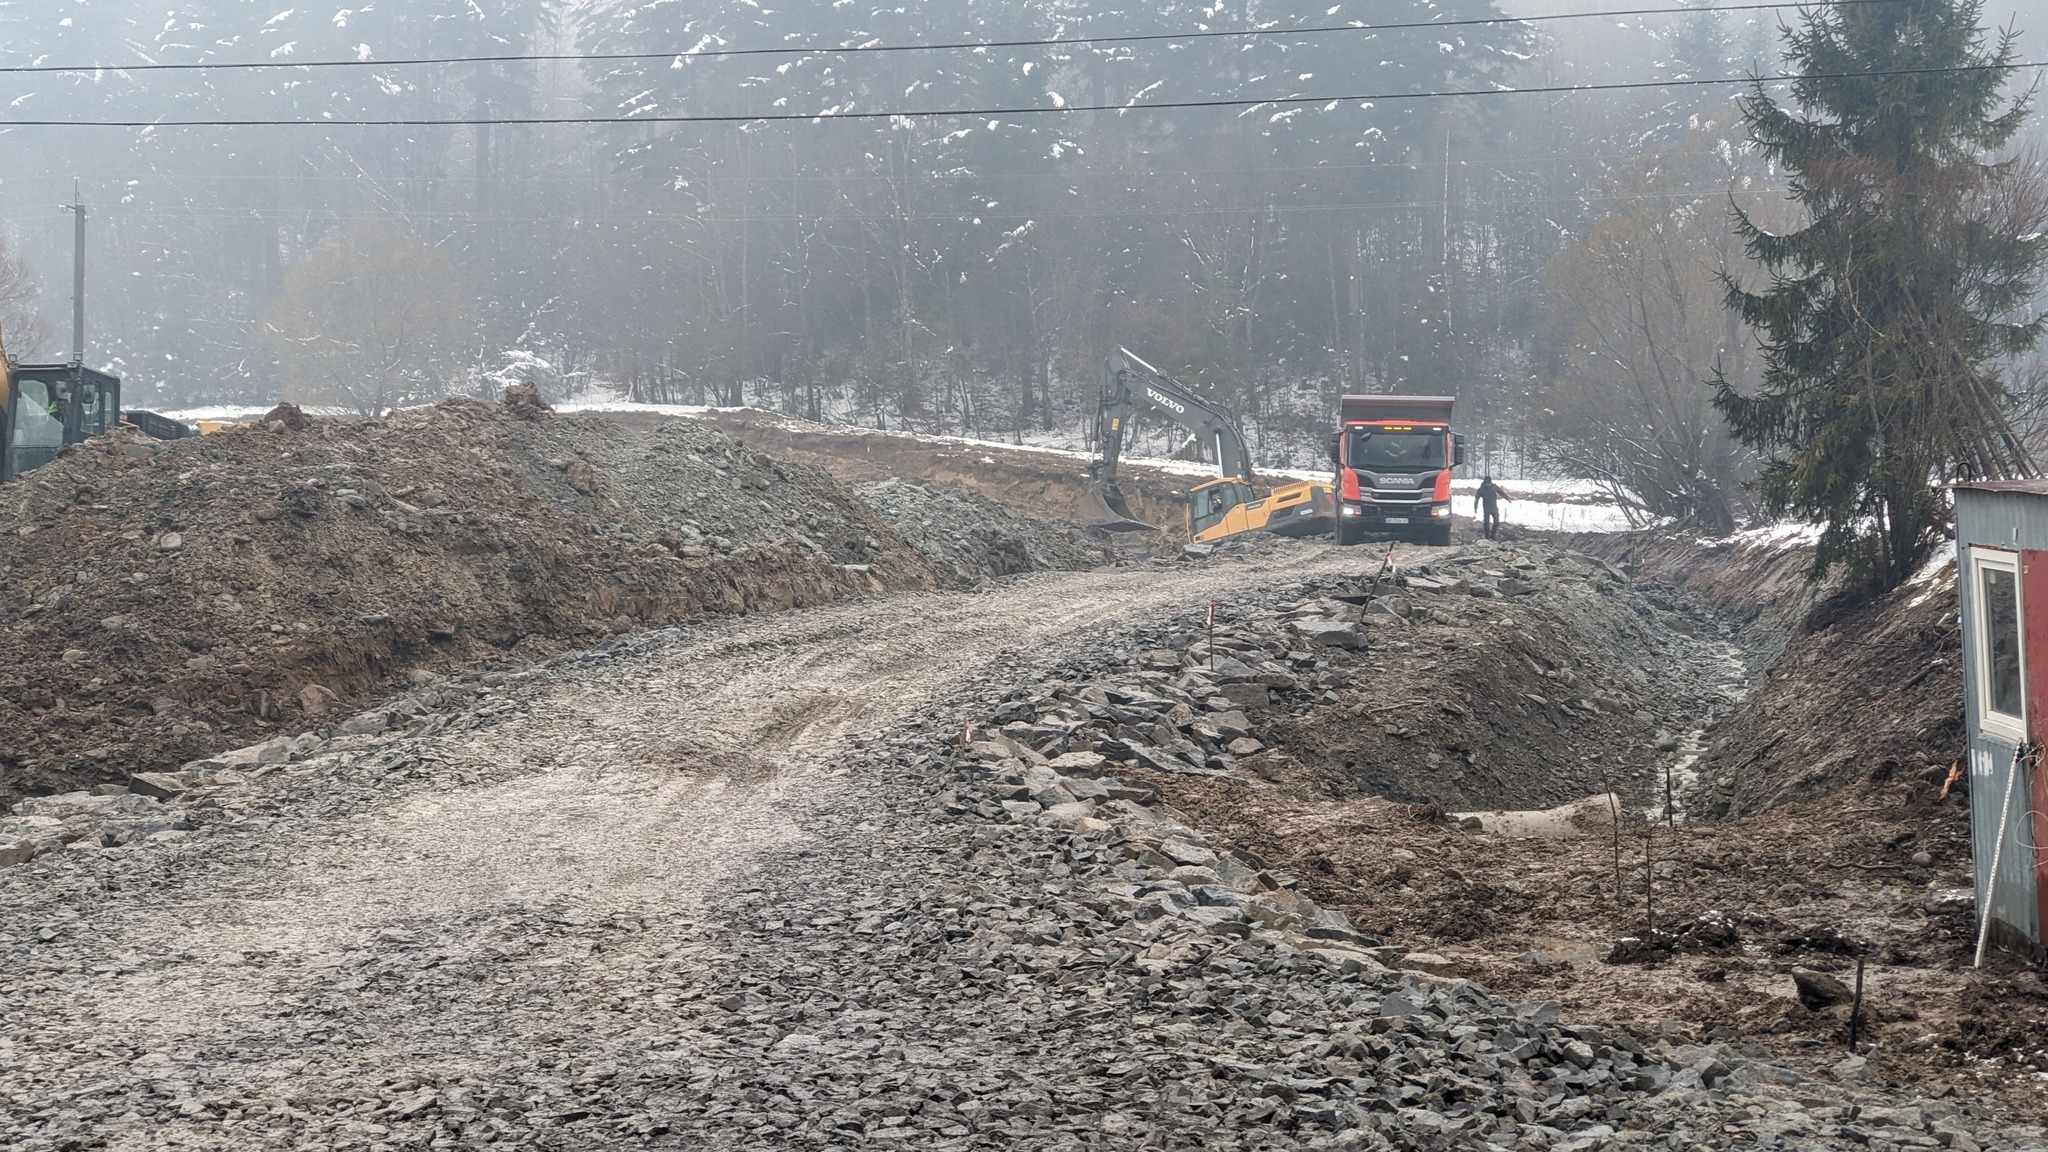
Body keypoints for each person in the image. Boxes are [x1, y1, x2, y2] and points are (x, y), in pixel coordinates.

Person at [1475, 474, 1505, 540]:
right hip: (1486, 508)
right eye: (1487, 484)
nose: (1488, 485)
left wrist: (1507, 498)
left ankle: (1493, 535)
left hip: (1494, 507)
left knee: (1496, 521)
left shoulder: (1494, 486)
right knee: (1486, 523)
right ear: (1485, 483)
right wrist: (1475, 507)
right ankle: (1487, 536)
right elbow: (1477, 499)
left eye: (1489, 484)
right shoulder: (1481, 489)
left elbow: (1501, 492)